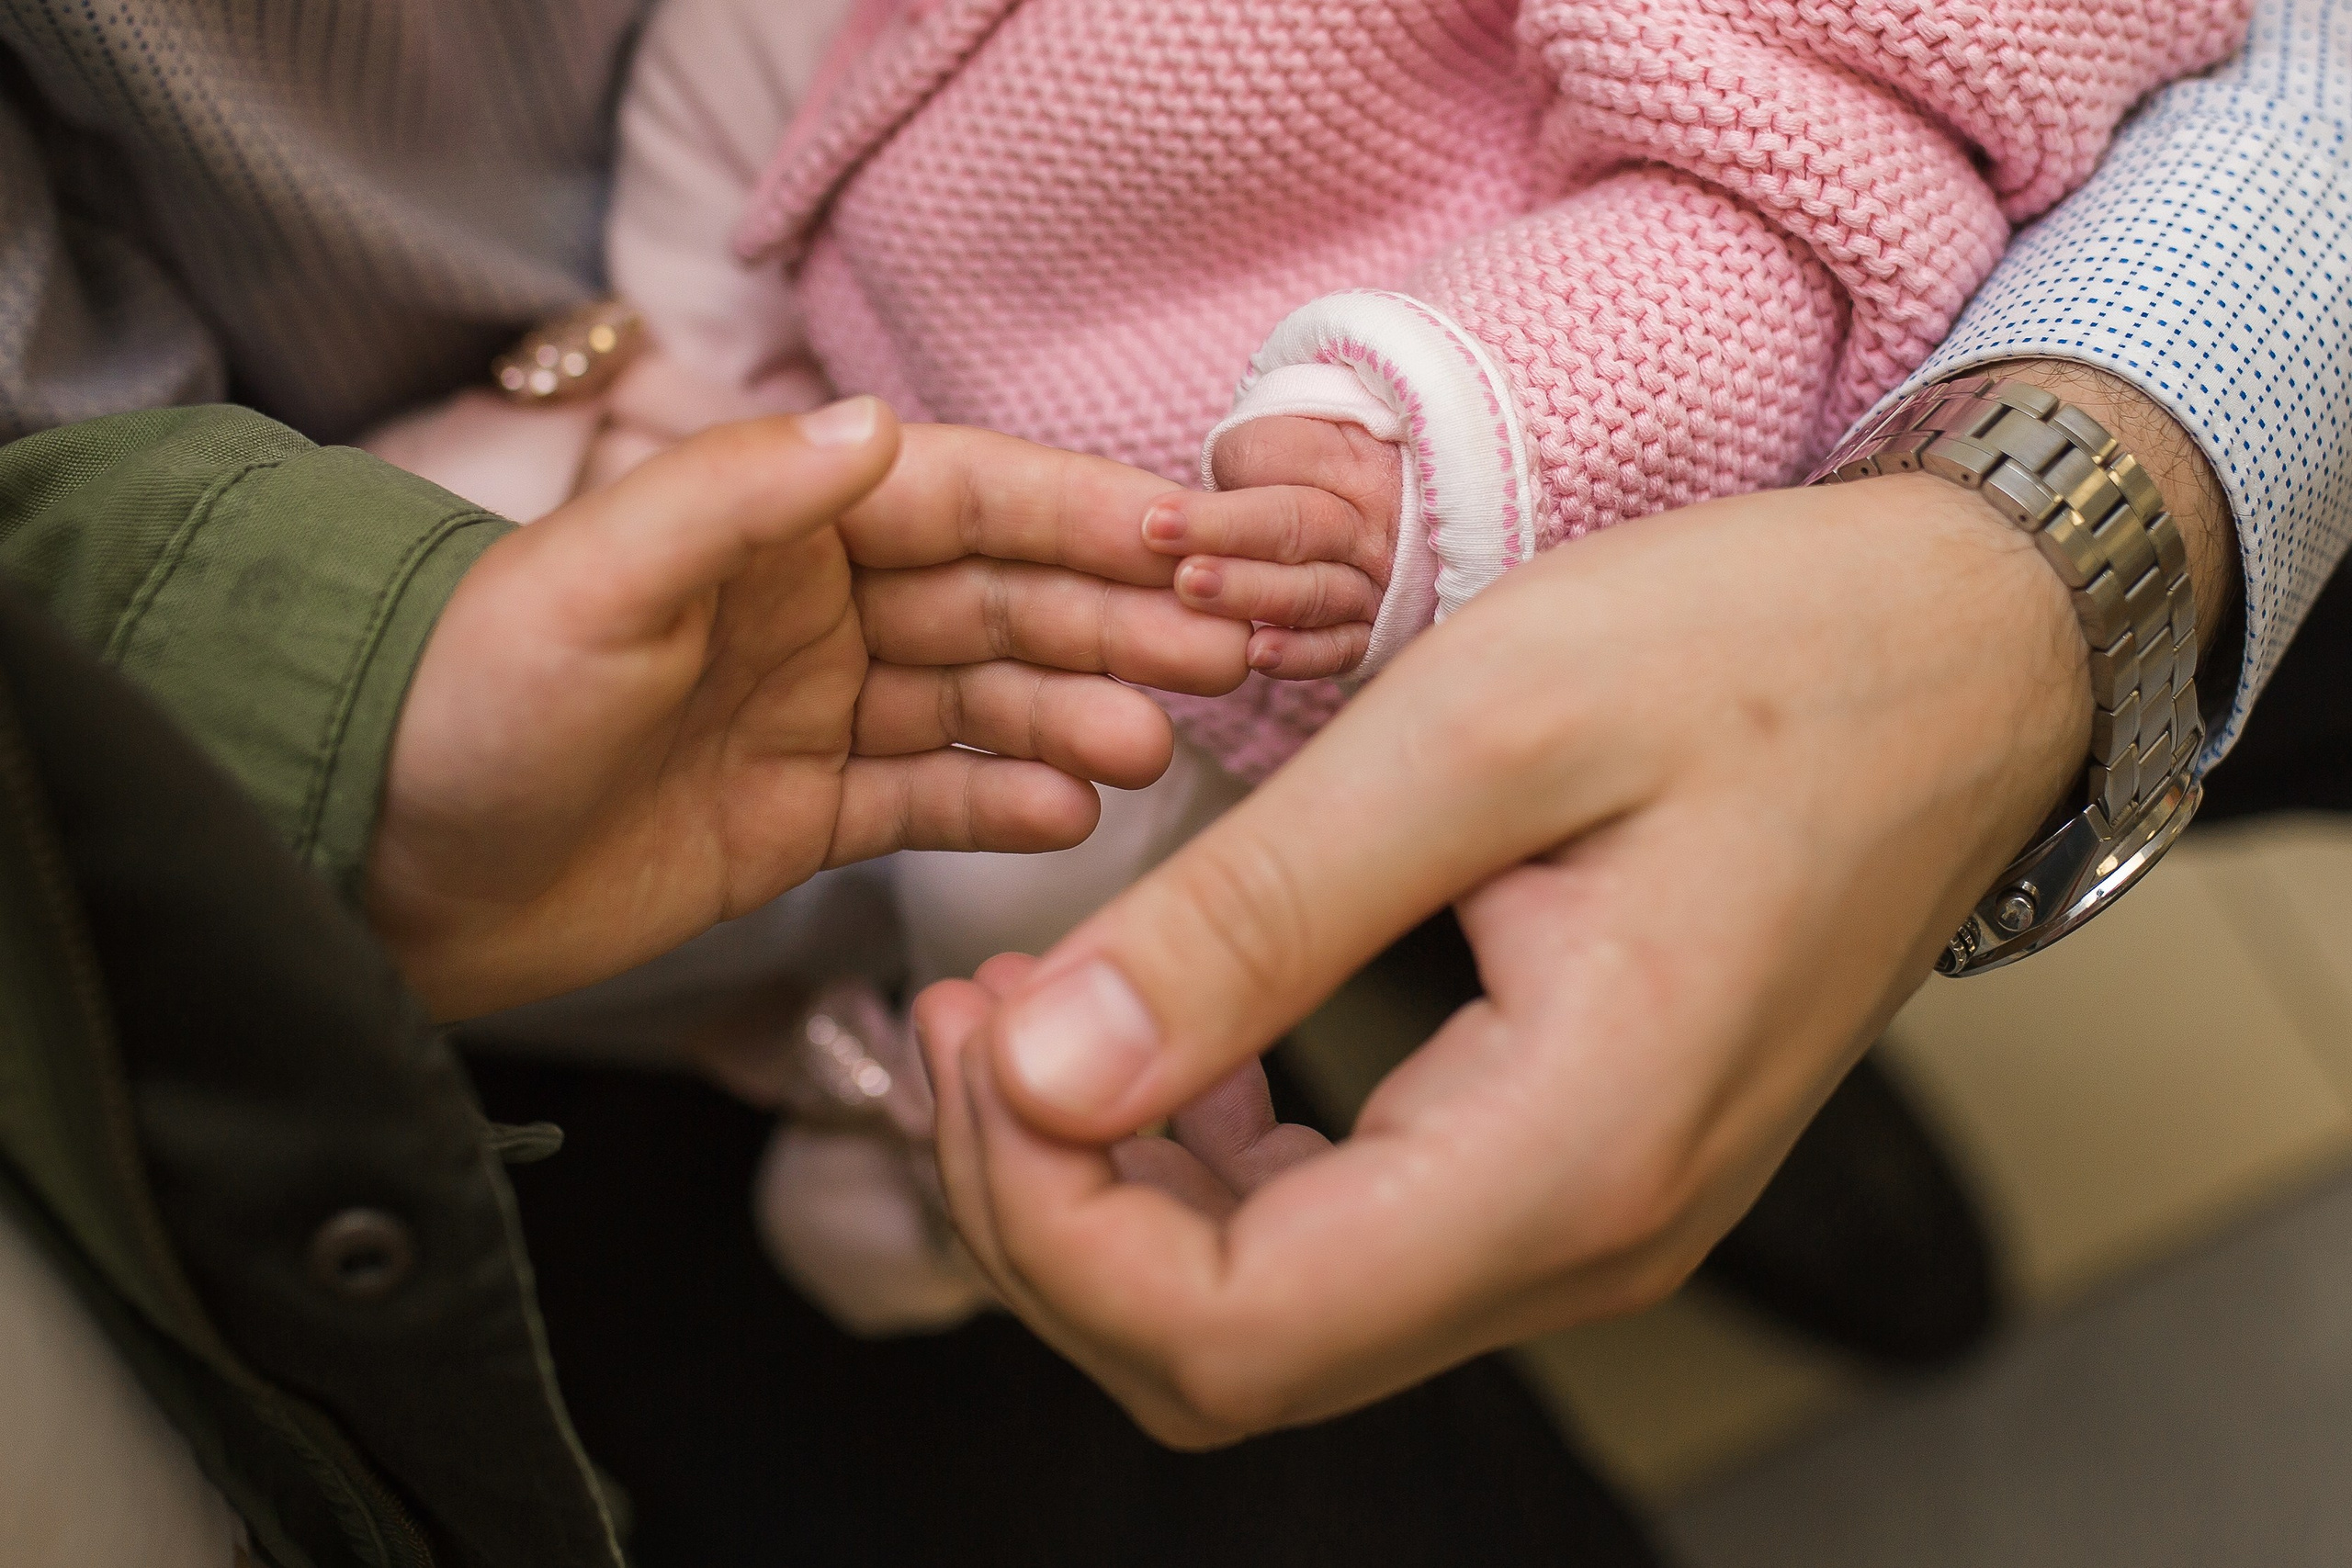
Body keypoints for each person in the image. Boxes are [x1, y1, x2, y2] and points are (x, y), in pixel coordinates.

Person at [356, 0, 2246, 1326]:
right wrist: (686, 373)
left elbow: (1754, 217)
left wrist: (1418, 430)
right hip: (870, 158)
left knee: (1056, 838)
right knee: (678, 179)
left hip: (1198, 481)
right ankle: (669, 422)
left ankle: (961, 1130)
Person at [910, 0, 2352, 1447]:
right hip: (898, 350)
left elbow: (1790, 152)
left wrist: (1446, 438)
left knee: (1029, 859)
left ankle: (1647, 966)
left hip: (1263, 495)